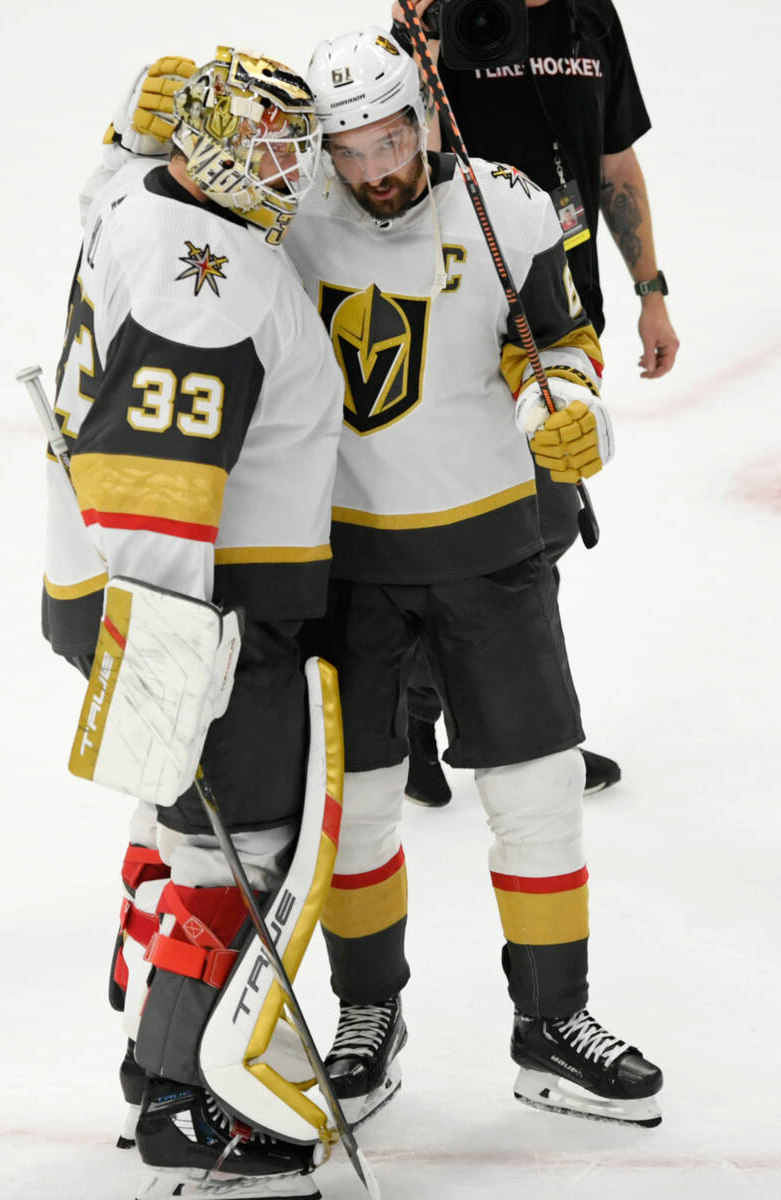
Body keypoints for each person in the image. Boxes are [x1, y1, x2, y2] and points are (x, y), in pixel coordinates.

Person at [286, 27, 662, 1131]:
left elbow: (558, 338)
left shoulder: (505, 202)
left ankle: (550, 1026)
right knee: (354, 815)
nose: (373, 168)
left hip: (493, 554)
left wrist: (572, 403)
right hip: (347, 568)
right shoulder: (285, 218)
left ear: (427, 114)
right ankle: (367, 1013)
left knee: (538, 799)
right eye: (345, 149)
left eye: (391, 137)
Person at [41, 49, 346, 1200]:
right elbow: (152, 476)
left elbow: (104, 176)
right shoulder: (205, 276)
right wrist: (169, 662)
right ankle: (180, 1099)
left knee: (180, 816)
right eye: (268, 144)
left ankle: (150, 1025)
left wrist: (126, 130)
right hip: (198, 607)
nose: (292, 169)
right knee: (240, 846)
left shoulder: (134, 195)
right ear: (207, 138)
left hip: (102, 578)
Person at [391, 0, 680, 806]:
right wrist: (422, 50)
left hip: (559, 321)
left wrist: (650, 291)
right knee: (459, 535)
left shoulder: (591, 17)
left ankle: (499, 727)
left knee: (542, 532)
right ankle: (444, 728)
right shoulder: (443, 14)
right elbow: (406, 168)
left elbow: (616, 166)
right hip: (457, 318)